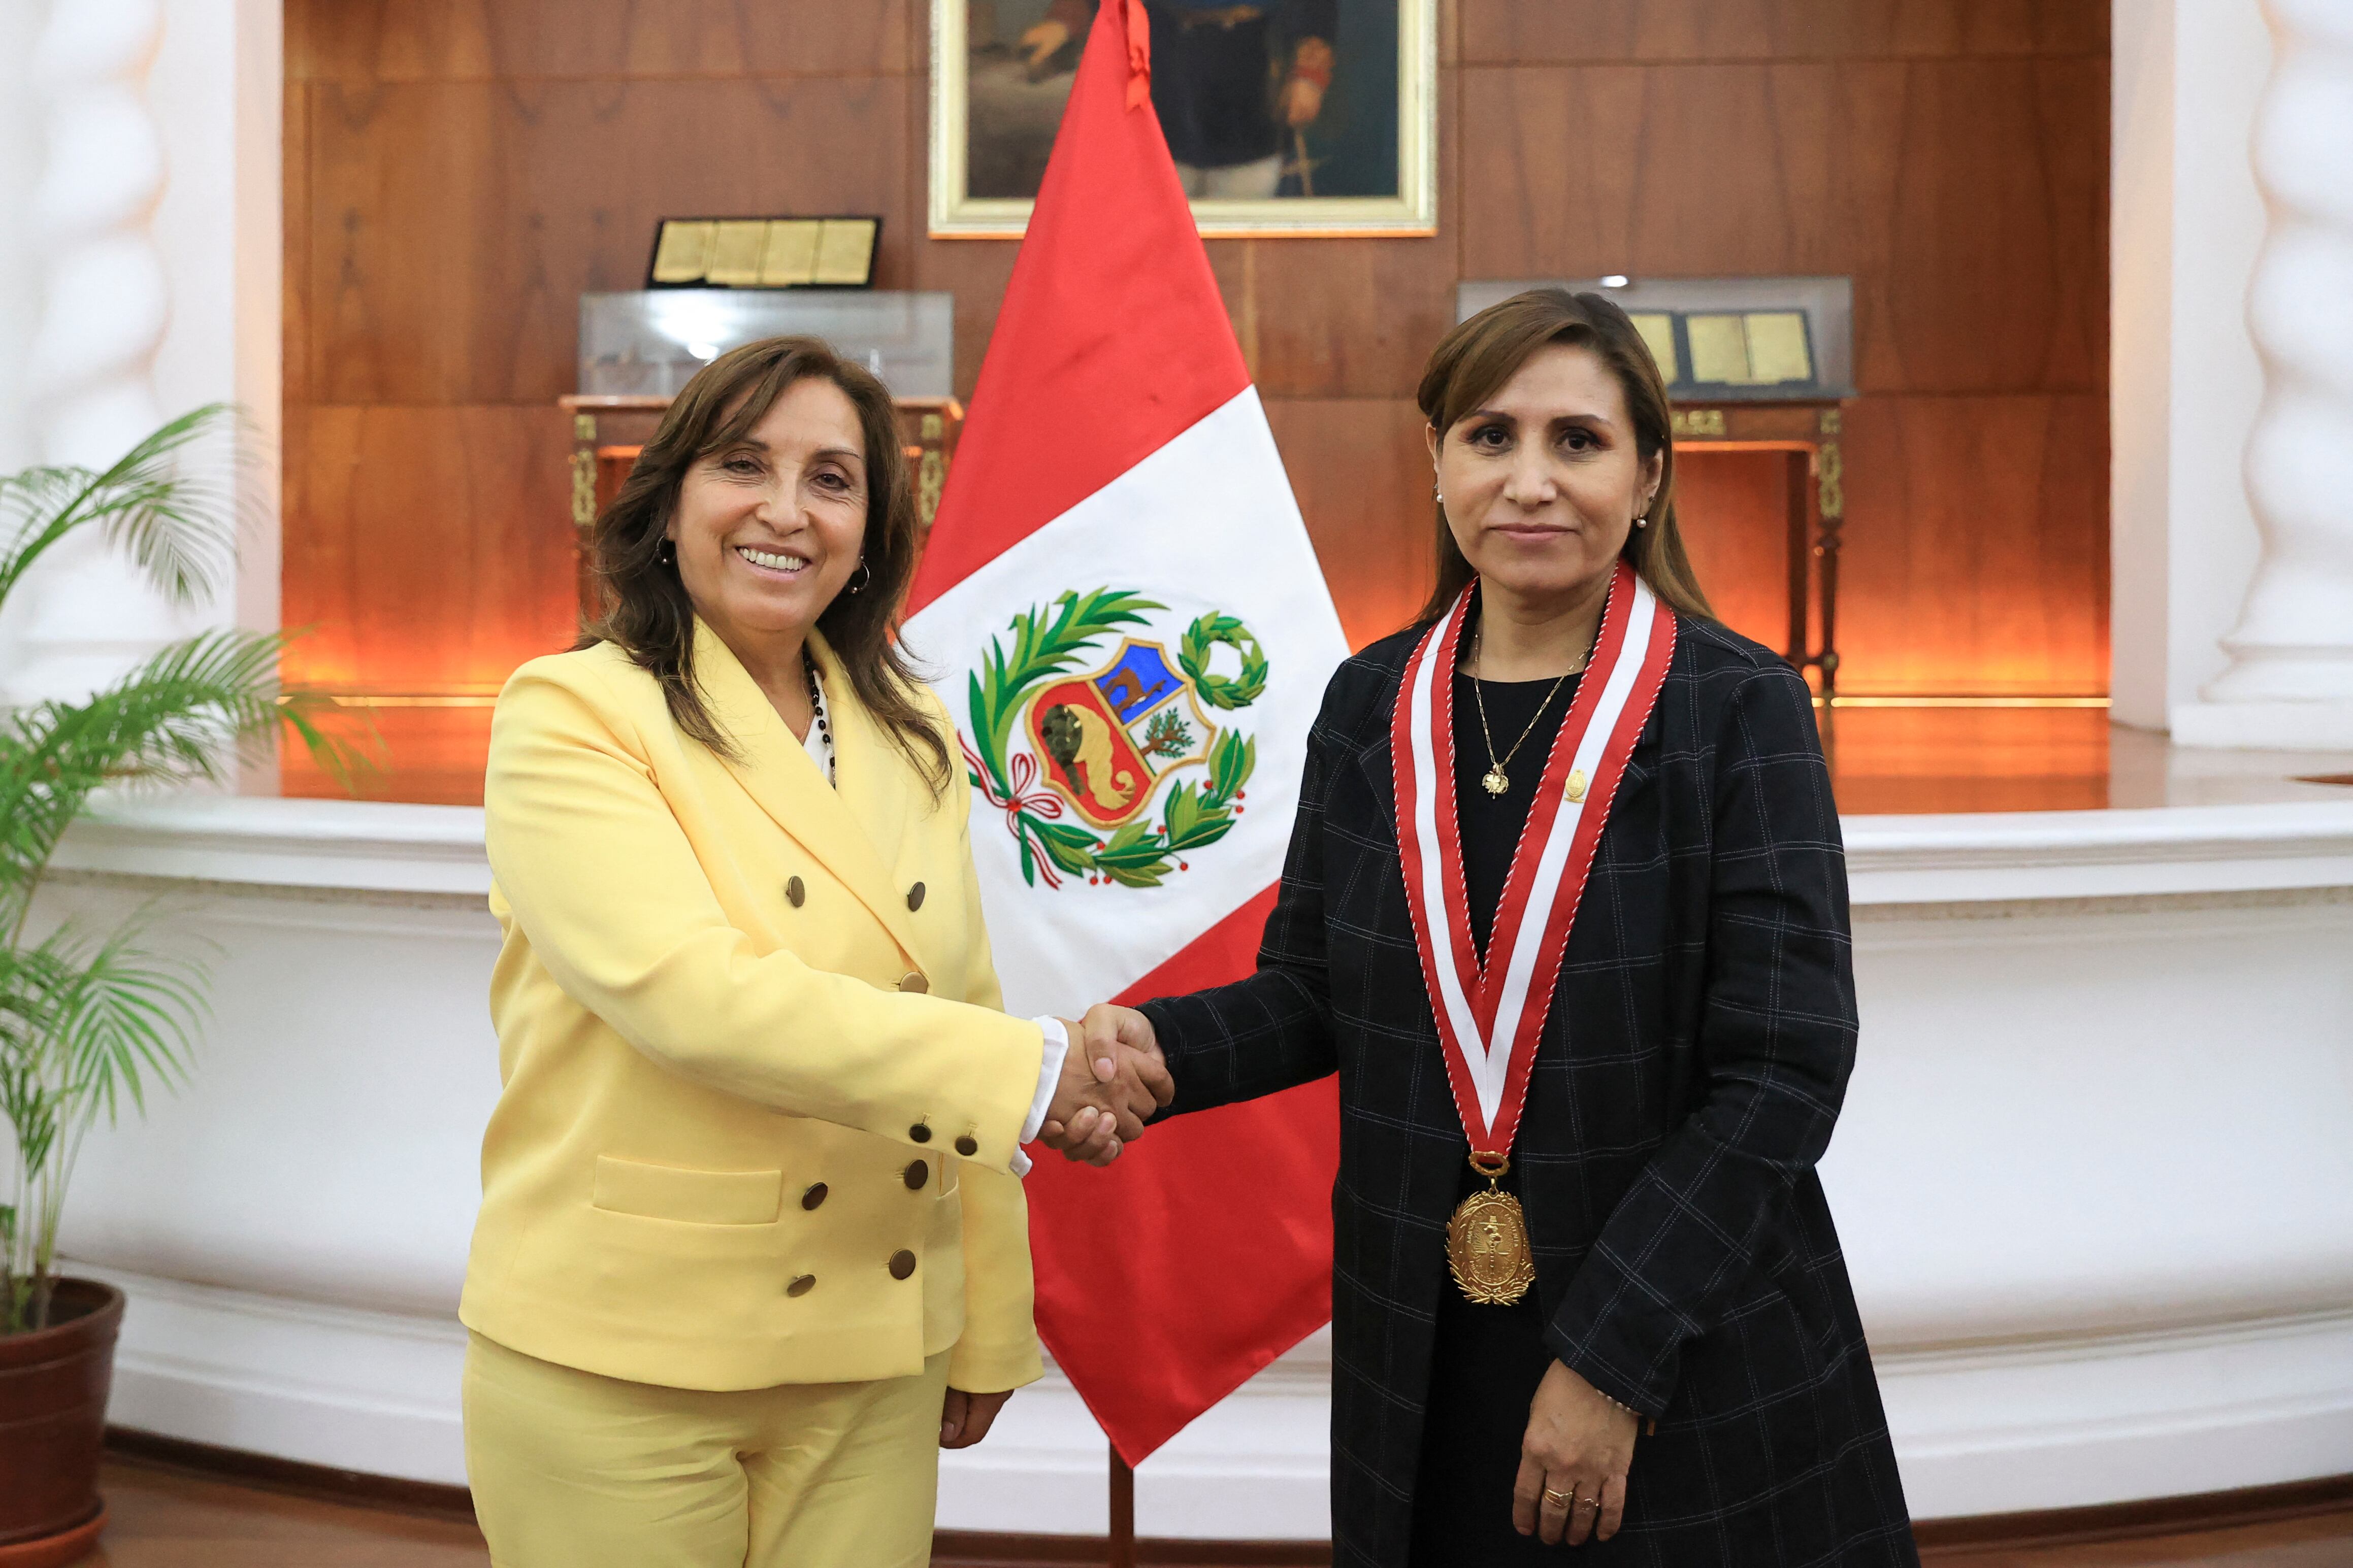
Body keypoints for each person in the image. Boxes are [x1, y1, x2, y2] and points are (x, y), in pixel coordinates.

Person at [1057, 290, 1918, 1564]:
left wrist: (1610, 1358)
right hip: (1429, 1349)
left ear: (1648, 477)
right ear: (1437, 462)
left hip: (1680, 1338)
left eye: (1578, 441)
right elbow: (1312, 990)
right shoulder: (1371, 707)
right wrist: (1156, 1050)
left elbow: (1782, 1073)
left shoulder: (1737, 709)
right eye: (1490, 436)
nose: (1531, 481)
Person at [458, 336, 1169, 1567]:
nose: (786, 510)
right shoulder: (570, 712)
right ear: (670, 499)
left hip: (872, 1353)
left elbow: (961, 996)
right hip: (626, 1360)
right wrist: (1038, 1075)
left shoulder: (916, 736)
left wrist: (988, 1317)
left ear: (871, 527)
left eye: (833, 478)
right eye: (745, 464)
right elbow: (699, 1004)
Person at [1022, 0, 1335, 198]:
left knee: (1241, 205)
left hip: (1246, 85)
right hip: (1162, 77)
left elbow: (1315, 9)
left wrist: (1309, 75)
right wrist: (1064, 22)